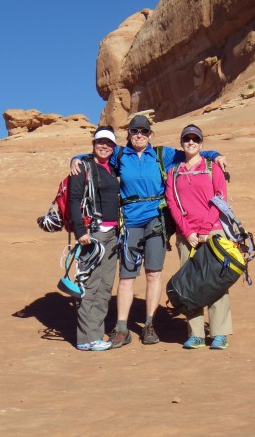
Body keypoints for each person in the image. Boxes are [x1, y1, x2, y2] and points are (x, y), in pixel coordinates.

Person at [71, 115, 227, 348]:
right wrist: (76, 158)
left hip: (156, 221)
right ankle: (122, 328)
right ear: (130, 134)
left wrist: (215, 155)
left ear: (150, 135)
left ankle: (150, 325)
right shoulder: (120, 154)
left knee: (154, 273)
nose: (139, 135)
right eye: (135, 131)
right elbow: (98, 155)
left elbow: (193, 150)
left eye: (144, 131)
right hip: (131, 222)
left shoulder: (163, 154)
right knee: (127, 276)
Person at [165, 124, 232, 350]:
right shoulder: (174, 172)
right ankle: (196, 334)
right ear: (182, 143)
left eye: (195, 139)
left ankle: (219, 333)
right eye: (187, 139)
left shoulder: (212, 168)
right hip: (187, 235)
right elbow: (172, 204)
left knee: (217, 280)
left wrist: (204, 230)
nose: (191, 142)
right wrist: (187, 231)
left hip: (213, 231)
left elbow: (220, 198)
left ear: (201, 143)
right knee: (190, 283)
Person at [69, 125, 120, 351]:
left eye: (108, 143)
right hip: (93, 235)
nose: (104, 146)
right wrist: (80, 232)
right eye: (100, 142)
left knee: (106, 286)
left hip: (112, 234)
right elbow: (74, 200)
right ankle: (84, 338)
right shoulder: (83, 167)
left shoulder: (111, 168)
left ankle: (95, 335)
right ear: (94, 144)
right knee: (90, 285)